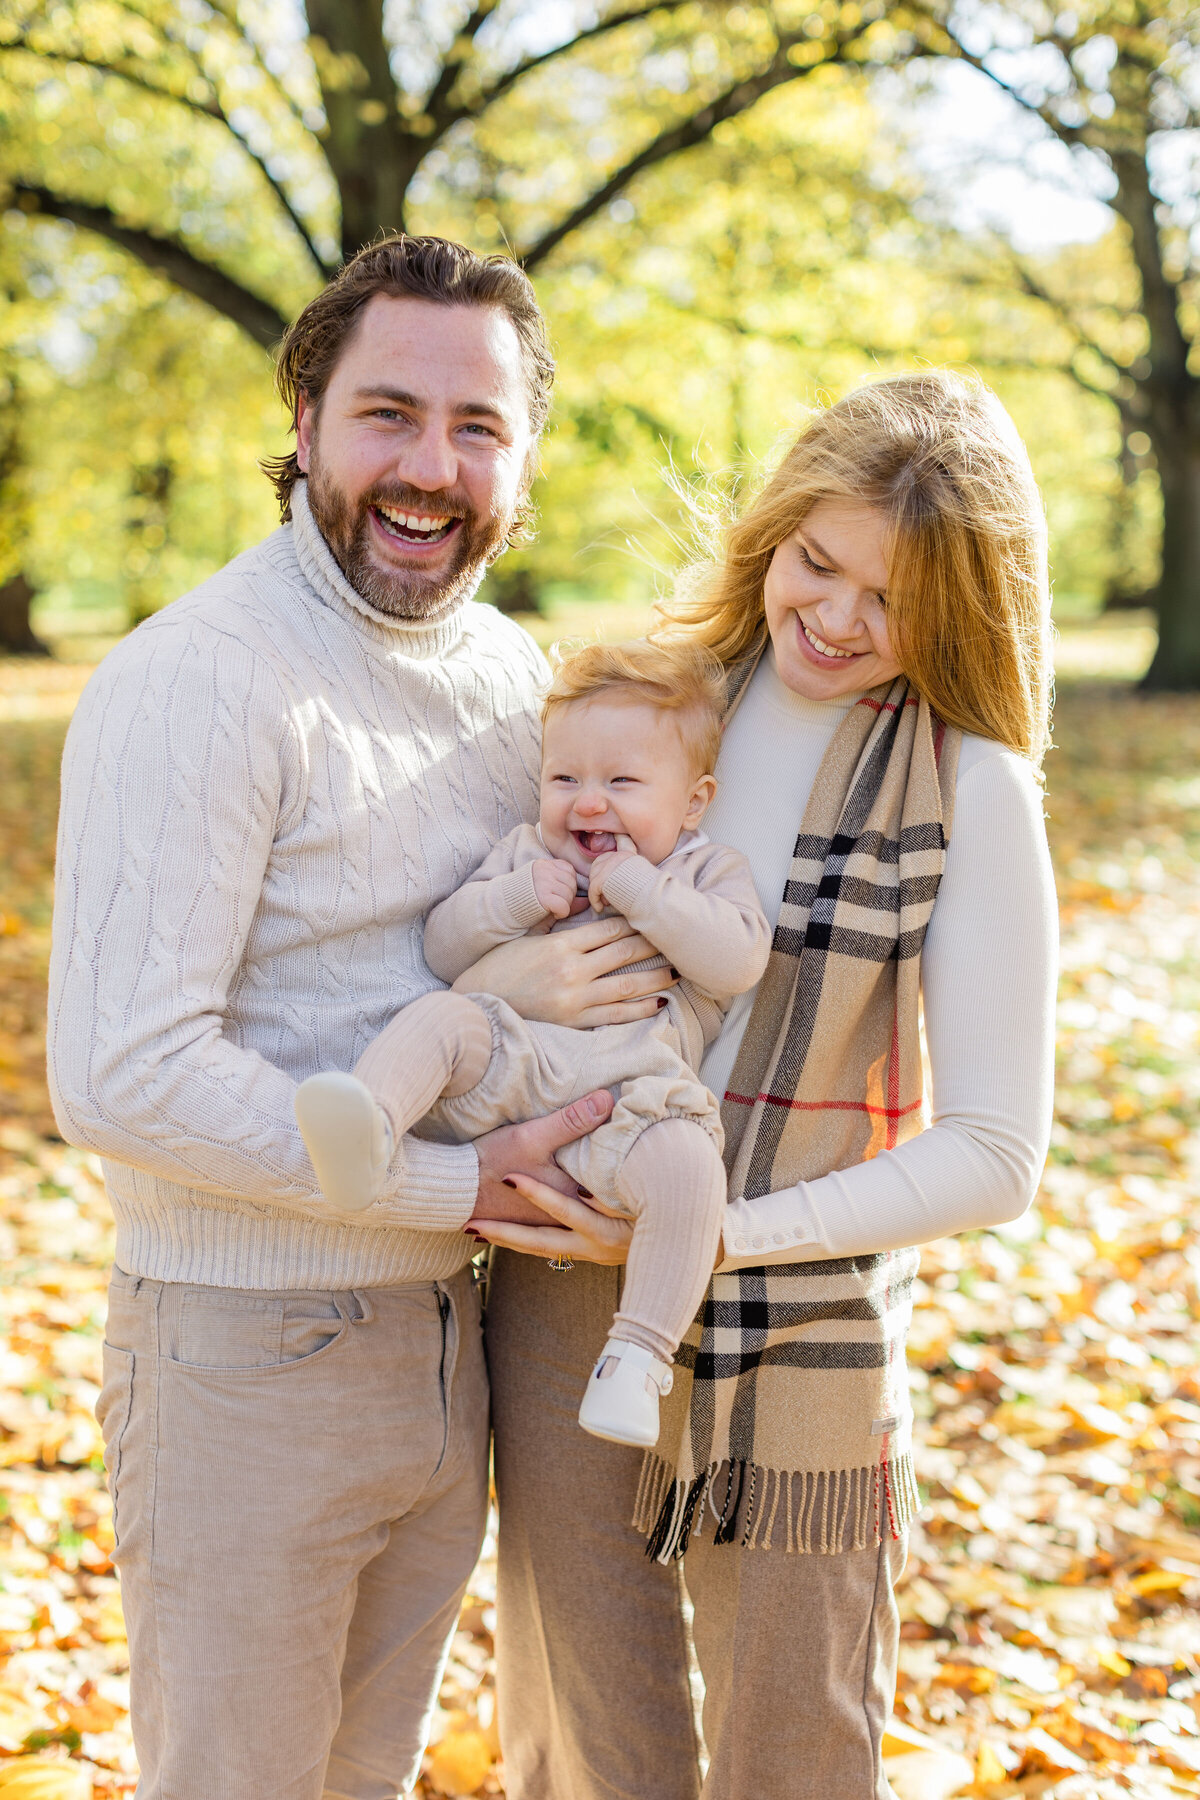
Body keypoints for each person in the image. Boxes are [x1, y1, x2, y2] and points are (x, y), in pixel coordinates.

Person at [45, 234, 664, 1800]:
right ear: (306, 416)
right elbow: (122, 1074)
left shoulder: (517, 683)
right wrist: (460, 1182)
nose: (429, 467)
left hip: (445, 1343)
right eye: (387, 414)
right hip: (245, 1352)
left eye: (477, 428)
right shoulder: (203, 679)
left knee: (363, 1781)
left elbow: (503, 957)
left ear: (524, 460)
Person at [467, 371, 1058, 1798]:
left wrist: (714, 1237)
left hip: (802, 1337)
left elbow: (996, 1154)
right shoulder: (648, 709)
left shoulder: (967, 786)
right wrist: (516, 991)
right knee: (589, 1751)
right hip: (561, 1292)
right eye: (818, 562)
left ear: (965, 609)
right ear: (770, 532)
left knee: (798, 1754)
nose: (841, 619)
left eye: (896, 596)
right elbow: (485, 943)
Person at [294, 638, 770, 1446]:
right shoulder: (526, 853)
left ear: (693, 802)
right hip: (511, 1055)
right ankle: (370, 1129)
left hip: (636, 1101)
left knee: (692, 1171)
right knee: (442, 1019)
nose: (588, 804)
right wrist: (512, 899)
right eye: (564, 779)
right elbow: (444, 951)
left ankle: (635, 1359)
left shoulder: (702, 871)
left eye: (621, 783)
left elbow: (738, 959)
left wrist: (642, 891)